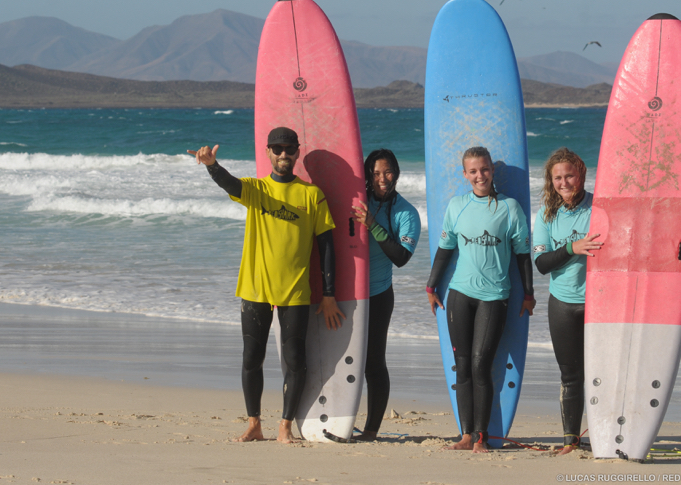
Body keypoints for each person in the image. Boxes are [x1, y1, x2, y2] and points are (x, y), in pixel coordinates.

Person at [532, 147, 681, 455]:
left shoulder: (601, 207)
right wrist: (573, 247)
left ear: (581, 174)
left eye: (569, 175)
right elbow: (542, 263)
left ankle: (611, 437)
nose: (564, 182)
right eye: (557, 177)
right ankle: (570, 440)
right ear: (551, 180)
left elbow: (645, 232)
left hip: (602, 305)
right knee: (570, 376)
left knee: (607, 373)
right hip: (562, 303)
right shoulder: (548, 214)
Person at [187, 126, 345, 443]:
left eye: (289, 149)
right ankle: (254, 424)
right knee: (251, 357)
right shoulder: (255, 189)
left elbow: (327, 246)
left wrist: (329, 294)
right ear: (268, 152)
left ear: (297, 152)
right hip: (255, 286)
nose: (283, 154)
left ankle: (284, 426)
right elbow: (228, 183)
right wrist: (212, 166)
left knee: (295, 359)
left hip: (296, 290)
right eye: (277, 148)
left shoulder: (311, 195)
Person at [425, 146, 534, 453]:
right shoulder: (457, 205)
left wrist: (528, 294)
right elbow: (445, 249)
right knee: (462, 366)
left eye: (484, 169)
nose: (479, 175)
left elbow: (522, 255)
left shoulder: (510, 208)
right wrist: (431, 287)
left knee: (480, 365)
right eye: (473, 171)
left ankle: (482, 437)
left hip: (494, 296)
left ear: (492, 170)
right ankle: (465, 435)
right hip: (459, 294)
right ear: (465, 175)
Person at [350, 149, 421, 441]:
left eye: (388, 172)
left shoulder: (407, 213)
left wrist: (373, 226)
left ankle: (371, 429)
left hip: (378, 295)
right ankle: (338, 417)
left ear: (397, 172)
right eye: (376, 173)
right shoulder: (354, 200)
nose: (382, 178)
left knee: (373, 363)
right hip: (346, 292)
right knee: (340, 356)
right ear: (367, 174)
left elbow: (401, 257)